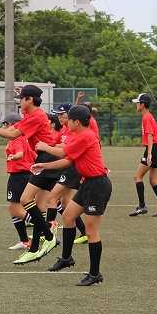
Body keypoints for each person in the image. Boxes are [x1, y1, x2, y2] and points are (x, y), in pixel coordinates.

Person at [0, 84, 59, 265]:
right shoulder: (33, 114)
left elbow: (13, 134)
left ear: (30, 100)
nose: (19, 102)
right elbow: (15, 127)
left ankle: (49, 236)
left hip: (47, 158)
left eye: (21, 99)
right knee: (39, 208)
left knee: (25, 200)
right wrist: (23, 93)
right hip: (45, 159)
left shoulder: (36, 116)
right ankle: (34, 249)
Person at [35, 104, 112, 286]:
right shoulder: (78, 135)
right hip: (88, 183)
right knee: (68, 216)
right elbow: (67, 160)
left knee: (91, 231)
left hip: (98, 185)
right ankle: (66, 258)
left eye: (68, 119)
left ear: (76, 122)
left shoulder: (85, 136)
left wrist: (45, 147)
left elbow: (63, 152)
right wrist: (44, 166)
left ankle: (95, 274)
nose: (65, 121)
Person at [43, 104, 89, 246]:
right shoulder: (65, 129)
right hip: (68, 168)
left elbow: (67, 150)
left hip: (71, 169)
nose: (59, 117)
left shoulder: (74, 130)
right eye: (58, 114)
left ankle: (48, 236)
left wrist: (48, 147)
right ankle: (84, 232)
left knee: (51, 199)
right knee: (65, 204)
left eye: (62, 114)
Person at [130, 93, 157, 218]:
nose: (136, 105)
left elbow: (150, 136)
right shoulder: (148, 116)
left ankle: (142, 206)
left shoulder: (146, 117)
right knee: (153, 180)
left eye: (138, 103)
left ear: (142, 104)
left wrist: (149, 154)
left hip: (153, 149)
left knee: (137, 176)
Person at [0, 112, 35, 251]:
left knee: (14, 209)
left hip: (19, 176)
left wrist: (14, 157)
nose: (4, 127)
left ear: (12, 125)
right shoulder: (21, 138)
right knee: (14, 209)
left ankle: (44, 227)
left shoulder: (17, 139)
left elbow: (20, 153)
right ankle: (24, 240)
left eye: (5, 124)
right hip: (21, 175)